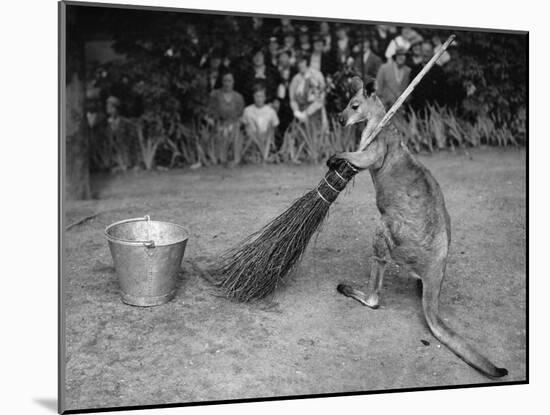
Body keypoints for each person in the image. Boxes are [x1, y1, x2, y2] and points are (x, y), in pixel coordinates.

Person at [206, 72, 246, 166]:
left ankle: (233, 159)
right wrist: (216, 126)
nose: (227, 83)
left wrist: (233, 127)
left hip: (234, 128)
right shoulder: (215, 95)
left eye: (229, 81)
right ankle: (220, 159)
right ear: (221, 81)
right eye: (225, 80)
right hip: (218, 127)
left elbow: (241, 116)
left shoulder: (238, 97)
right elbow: (208, 113)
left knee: (234, 135)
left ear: (233, 82)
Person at [289, 53, 326, 125]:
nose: (300, 64)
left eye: (302, 62)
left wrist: (307, 112)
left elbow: (321, 98)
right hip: (300, 114)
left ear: (307, 62)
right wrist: (297, 111)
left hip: (315, 112)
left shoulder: (317, 75)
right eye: (298, 62)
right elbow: (292, 99)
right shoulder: (295, 79)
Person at [409, 40, 446, 111]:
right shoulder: (414, 71)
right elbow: (412, 94)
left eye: (428, 51)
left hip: (435, 112)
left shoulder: (439, 72)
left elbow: (443, 95)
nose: (425, 54)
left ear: (433, 53)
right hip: (417, 112)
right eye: (423, 51)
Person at [274, 49, 297, 139]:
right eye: (281, 57)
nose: (283, 59)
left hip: (291, 101)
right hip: (279, 102)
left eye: (285, 56)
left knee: (291, 125)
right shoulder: (275, 71)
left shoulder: (295, 71)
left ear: (289, 58)